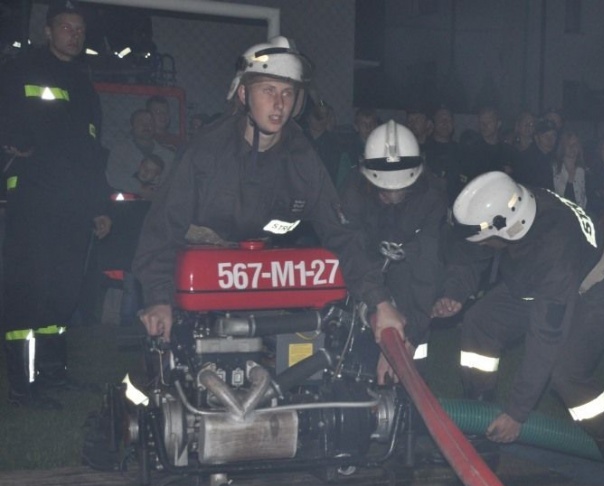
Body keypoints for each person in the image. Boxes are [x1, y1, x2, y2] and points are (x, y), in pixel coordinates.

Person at [132, 36, 405, 346]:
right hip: (196, 280)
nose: (279, 104)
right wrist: (158, 298)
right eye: (268, 91)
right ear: (244, 94)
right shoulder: (206, 152)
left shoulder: (302, 158)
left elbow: (340, 231)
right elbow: (163, 227)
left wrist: (379, 301)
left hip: (260, 279)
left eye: (288, 93)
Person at [433, 171, 604, 486]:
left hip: (596, 290)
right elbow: (474, 251)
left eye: (487, 238)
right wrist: (456, 293)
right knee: (480, 321)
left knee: (565, 374)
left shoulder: (552, 247)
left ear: (508, 230)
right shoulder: (511, 204)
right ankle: (479, 422)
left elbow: (546, 337)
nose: (484, 244)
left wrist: (517, 413)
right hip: (533, 283)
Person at [0, 0, 112, 409]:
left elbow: (91, 151)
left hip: (73, 205)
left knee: (62, 293)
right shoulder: (20, 69)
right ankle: (22, 387)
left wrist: (99, 205)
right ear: (48, 31)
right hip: (33, 198)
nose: (74, 34)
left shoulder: (83, 84)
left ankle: (52, 377)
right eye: (66, 27)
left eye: (79, 29)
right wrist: (16, 140)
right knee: (29, 289)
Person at [339, 121, 447, 382]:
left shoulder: (432, 193)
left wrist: (411, 337)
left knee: (411, 364)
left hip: (411, 275)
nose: (389, 196)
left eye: (399, 191)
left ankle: (409, 399)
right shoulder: (353, 189)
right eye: (384, 192)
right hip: (363, 272)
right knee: (356, 349)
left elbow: (428, 267)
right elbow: (352, 251)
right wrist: (377, 300)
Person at [105, 108, 175, 194]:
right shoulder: (120, 151)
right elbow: (114, 176)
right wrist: (139, 188)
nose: (146, 125)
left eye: (150, 122)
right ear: (132, 126)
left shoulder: (167, 156)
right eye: (141, 121)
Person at [551, 129, 588, 209]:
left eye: (575, 144)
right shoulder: (554, 169)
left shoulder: (583, 171)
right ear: (563, 146)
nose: (572, 147)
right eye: (568, 144)